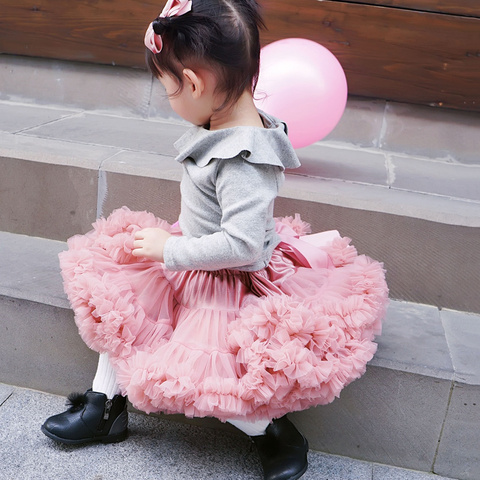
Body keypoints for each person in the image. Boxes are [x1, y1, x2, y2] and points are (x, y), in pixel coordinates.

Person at [41, 1, 389, 479]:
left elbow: (243, 247)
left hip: (226, 277)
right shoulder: (227, 118)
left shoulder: (243, 157)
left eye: (169, 92)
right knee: (126, 307)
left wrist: (173, 251)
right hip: (195, 252)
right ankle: (104, 405)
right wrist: (173, 250)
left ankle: (273, 433)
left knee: (219, 379)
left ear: (197, 83)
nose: (172, 102)